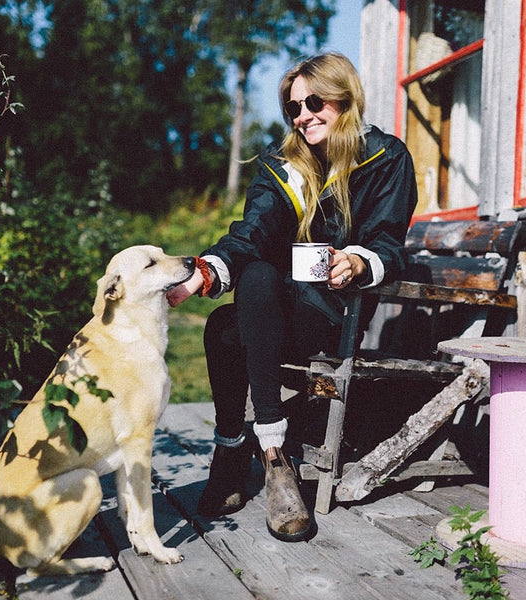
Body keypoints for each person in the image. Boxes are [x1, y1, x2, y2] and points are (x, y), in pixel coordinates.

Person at [168, 52, 418, 542]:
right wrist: (205, 271)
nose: (303, 115)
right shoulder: (283, 166)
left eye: (315, 102)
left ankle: (239, 455)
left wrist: (361, 262)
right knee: (237, 302)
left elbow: (389, 242)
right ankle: (268, 456)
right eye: (294, 108)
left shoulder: (386, 158)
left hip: (330, 317)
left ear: (345, 100)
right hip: (272, 313)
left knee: (230, 323)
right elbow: (251, 232)